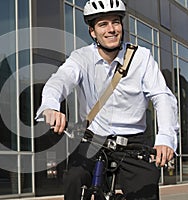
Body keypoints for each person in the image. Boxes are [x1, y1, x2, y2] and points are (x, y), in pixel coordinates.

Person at [35, 0, 179, 199]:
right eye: (103, 24)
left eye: (116, 22)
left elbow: (161, 96)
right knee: (74, 180)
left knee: (146, 189)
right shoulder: (81, 57)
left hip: (134, 142)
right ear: (92, 31)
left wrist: (165, 138)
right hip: (94, 139)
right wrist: (51, 107)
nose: (111, 29)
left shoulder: (141, 57)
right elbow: (59, 81)